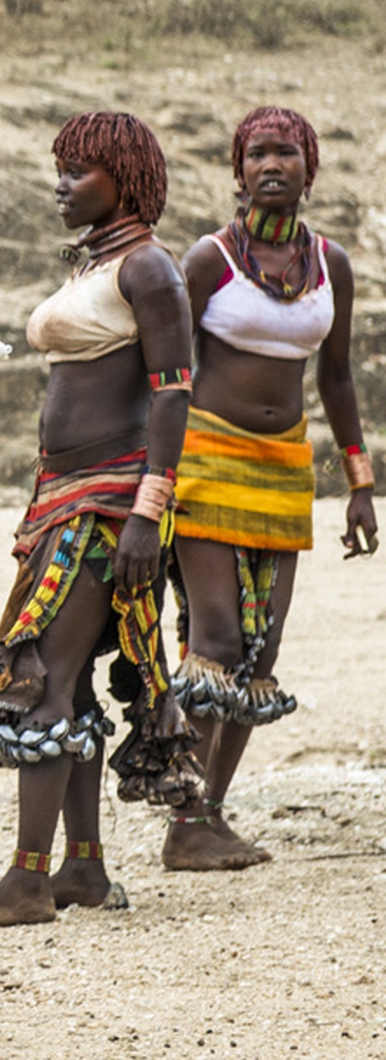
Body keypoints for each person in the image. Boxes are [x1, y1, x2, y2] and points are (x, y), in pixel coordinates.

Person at [0, 112, 201, 931]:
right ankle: (82, 867)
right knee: (72, 675)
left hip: (111, 498)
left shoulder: (151, 268)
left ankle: (25, 880)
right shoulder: (100, 262)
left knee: (42, 673)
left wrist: (148, 515)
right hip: (64, 492)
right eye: (59, 169)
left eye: (78, 170)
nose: (60, 184)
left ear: (125, 177)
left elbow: (173, 392)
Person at [161, 106, 376, 870]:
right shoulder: (209, 260)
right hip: (208, 456)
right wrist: (153, 471)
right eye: (258, 153)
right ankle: (181, 813)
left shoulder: (332, 265)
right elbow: (165, 370)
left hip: (286, 467)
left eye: (286, 151)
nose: (271, 164)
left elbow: (339, 376)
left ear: (310, 168)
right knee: (213, 637)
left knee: (260, 650)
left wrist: (359, 481)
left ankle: (208, 814)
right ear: (237, 168)